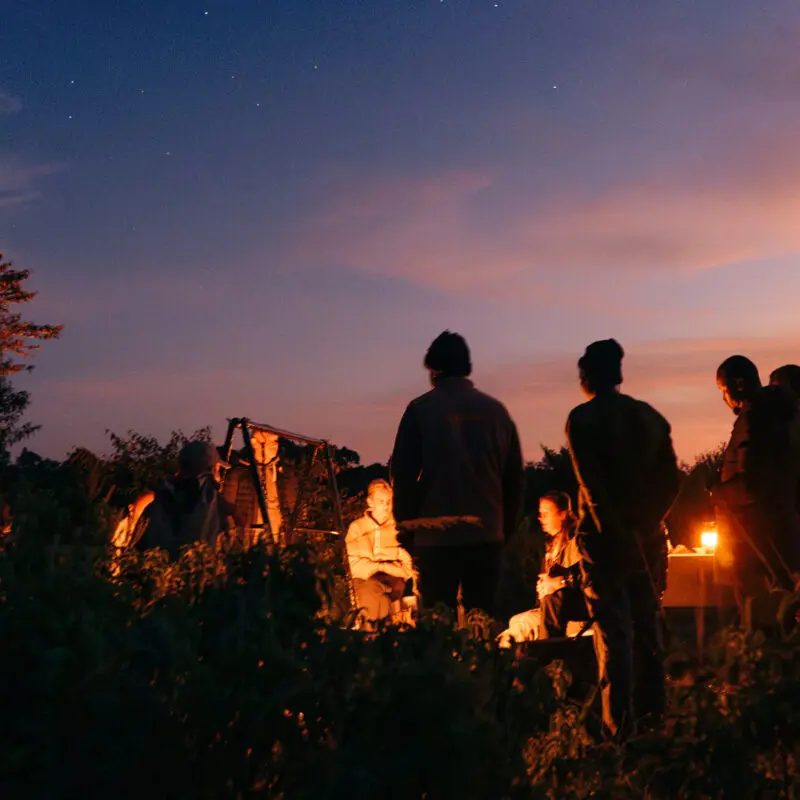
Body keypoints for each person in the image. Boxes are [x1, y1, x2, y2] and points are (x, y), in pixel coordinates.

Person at [566, 339, 680, 737]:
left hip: (604, 545)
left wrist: (617, 533)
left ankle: (620, 731)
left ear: (586, 375)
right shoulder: (648, 416)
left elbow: (592, 486)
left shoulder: (582, 419)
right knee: (647, 631)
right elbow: (671, 480)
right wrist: (648, 524)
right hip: (647, 539)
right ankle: (654, 721)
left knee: (614, 635)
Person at [390, 331, 524, 620]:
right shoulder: (497, 413)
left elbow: (402, 475)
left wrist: (406, 530)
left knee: (437, 628)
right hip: (486, 534)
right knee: (482, 621)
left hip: (435, 536)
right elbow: (513, 479)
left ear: (434, 369)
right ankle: (486, 664)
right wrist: (506, 529)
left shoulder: (420, 410)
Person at [711, 356, 800, 598]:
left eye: (723, 389)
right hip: (773, 540)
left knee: (765, 620)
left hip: (758, 545)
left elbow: (754, 484)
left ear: (739, 384)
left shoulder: (757, 418)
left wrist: (717, 492)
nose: (723, 398)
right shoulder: (775, 416)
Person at [498, 491, 587, 647]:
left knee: (552, 597)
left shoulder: (577, 542)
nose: (541, 519)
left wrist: (560, 582)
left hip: (576, 605)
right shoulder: (551, 546)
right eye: (540, 514)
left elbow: (586, 576)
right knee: (517, 622)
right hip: (548, 608)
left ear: (563, 514)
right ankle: (501, 649)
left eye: (546, 514)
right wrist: (543, 586)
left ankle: (548, 651)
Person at [137, 441, 243, 559]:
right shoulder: (207, 493)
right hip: (196, 568)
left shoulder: (162, 491)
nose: (218, 474)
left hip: (159, 567)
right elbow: (236, 516)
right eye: (217, 468)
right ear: (210, 470)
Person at [345, 479, 415, 628]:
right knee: (374, 594)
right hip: (364, 581)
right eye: (381, 501)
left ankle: (373, 635)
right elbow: (352, 565)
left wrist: (380, 566)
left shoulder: (398, 529)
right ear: (370, 502)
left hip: (393, 582)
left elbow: (408, 569)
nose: (386, 505)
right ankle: (376, 634)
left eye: (389, 501)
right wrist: (385, 564)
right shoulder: (357, 528)